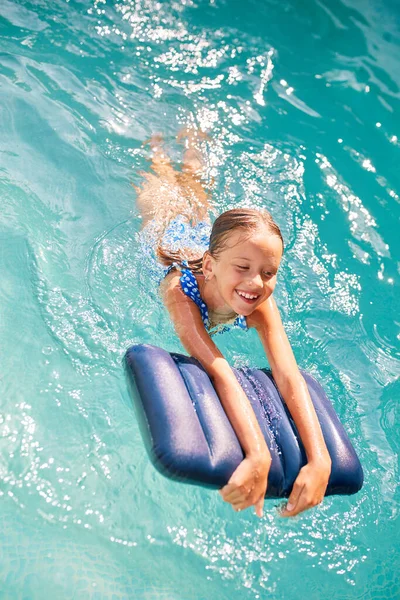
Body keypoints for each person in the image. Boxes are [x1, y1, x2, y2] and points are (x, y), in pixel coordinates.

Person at [135, 128, 332, 518]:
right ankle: (156, 143)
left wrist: (320, 459)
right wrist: (257, 452)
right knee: (162, 182)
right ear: (210, 266)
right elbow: (219, 370)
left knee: (194, 186)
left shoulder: (259, 301)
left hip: (205, 243)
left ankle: (193, 140)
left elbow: (288, 376)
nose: (256, 283)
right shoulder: (180, 292)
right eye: (243, 268)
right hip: (165, 231)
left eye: (269, 272)